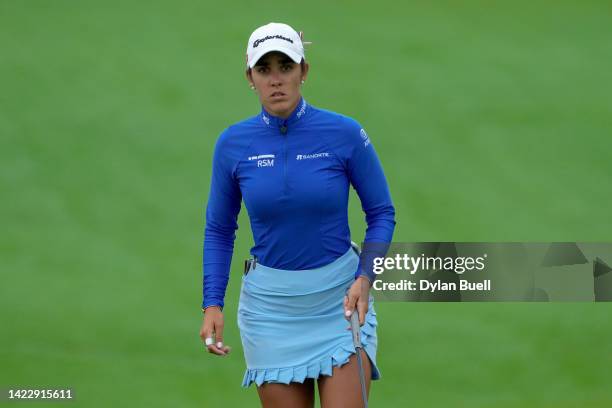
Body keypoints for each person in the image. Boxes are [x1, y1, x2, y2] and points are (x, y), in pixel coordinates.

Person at [199, 22, 395, 407]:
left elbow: (381, 211)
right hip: (271, 312)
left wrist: (365, 277)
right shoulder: (232, 144)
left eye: (285, 67)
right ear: (250, 78)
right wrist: (212, 304)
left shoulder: (344, 133)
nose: (276, 80)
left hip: (340, 303)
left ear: (304, 71)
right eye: (264, 69)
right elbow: (220, 230)